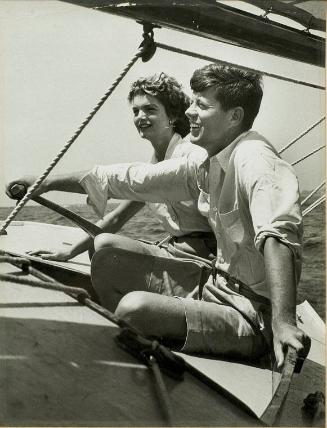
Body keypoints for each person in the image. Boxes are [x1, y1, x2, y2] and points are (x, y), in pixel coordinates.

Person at [7, 64, 307, 367]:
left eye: (201, 105)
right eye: (191, 102)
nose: (189, 112)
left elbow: (278, 237)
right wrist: (45, 182)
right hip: (215, 286)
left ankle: (157, 352)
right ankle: (151, 341)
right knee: (107, 262)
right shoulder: (209, 162)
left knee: (133, 308)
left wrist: (282, 323)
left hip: (252, 315)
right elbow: (131, 179)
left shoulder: (256, 159)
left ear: (234, 116)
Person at [8, 72, 215, 306]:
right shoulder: (153, 164)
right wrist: (68, 253)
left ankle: (139, 318)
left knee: (107, 254)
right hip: (177, 251)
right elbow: (116, 218)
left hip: (203, 261)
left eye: (150, 109)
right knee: (103, 244)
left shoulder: (190, 155)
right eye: (135, 111)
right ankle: (127, 314)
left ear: (173, 116)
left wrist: (45, 183)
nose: (140, 117)